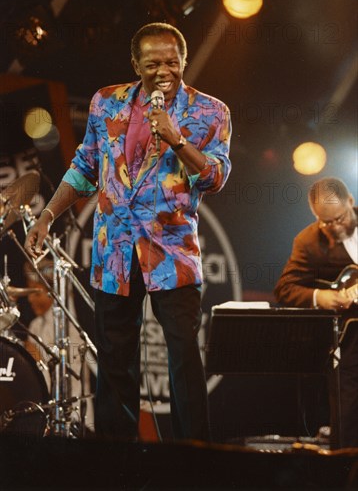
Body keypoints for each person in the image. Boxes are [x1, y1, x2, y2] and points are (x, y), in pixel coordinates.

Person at [25, 22, 232, 441]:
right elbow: (85, 166)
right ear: (135, 63)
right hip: (114, 252)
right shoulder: (107, 102)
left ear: (184, 61)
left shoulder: (210, 111)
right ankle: (115, 462)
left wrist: (176, 140)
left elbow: (215, 177)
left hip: (171, 256)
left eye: (172, 62)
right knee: (116, 362)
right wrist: (48, 214)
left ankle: (195, 458)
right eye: (152, 62)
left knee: (183, 358)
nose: (164, 71)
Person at [274, 177, 358, 448]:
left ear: (351, 202)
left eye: (339, 218)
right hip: (350, 343)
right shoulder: (309, 241)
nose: (334, 227)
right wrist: (322, 297)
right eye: (326, 222)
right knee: (346, 417)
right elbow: (285, 289)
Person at [23, 259, 94, 433]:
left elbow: (64, 384)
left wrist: (35, 358)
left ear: (52, 293)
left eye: (36, 293)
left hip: (74, 422)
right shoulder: (35, 326)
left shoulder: (70, 331)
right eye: (29, 292)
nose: (30, 298)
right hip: (47, 419)